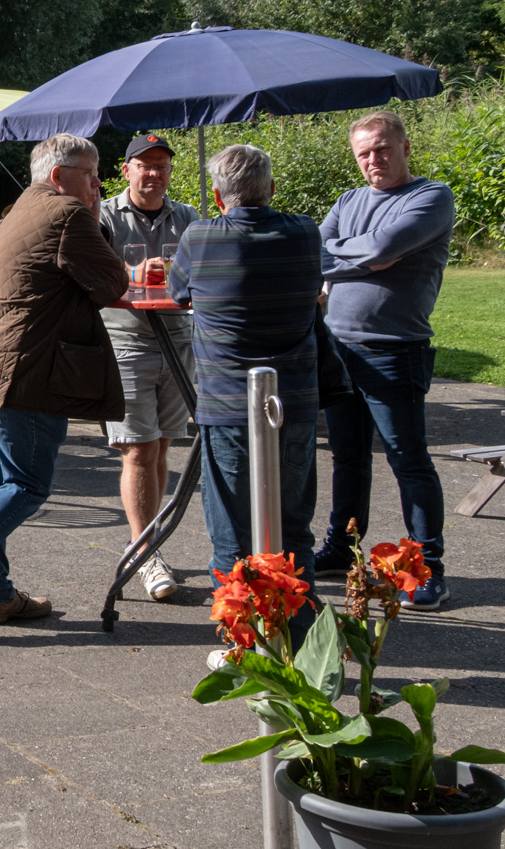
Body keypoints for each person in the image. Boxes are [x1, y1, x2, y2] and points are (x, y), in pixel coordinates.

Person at [0, 135, 127, 637]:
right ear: (59, 176)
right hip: (26, 373)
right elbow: (113, 283)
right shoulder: (69, 215)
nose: (99, 184)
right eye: (91, 173)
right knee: (27, 484)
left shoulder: (18, 212)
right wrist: (94, 218)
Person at [166, 144, 323, 645]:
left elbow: (178, 291)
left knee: (231, 528)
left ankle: (242, 636)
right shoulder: (304, 233)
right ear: (272, 189)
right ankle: (298, 633)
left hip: (228, 401)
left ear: (216, 196)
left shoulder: (201, 236)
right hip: (293, 399)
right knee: (294, 523)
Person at [315, 110, 456, 610]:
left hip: (396, 350)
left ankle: (428, 567)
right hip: (338, 348)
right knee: (347, 457)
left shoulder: (430, 197)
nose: (373, 159)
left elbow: (383, 248)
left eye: (382, 148)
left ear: (404, 147)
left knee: (408, 460)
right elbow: (319, 251)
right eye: (364, 153)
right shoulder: (349, 199)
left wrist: (355, 254)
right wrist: (363, 255)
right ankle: (339, 549)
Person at [99, 133, 198, 601]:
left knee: (160, 449)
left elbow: (200, 274)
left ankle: (146, 539)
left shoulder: (189, 218)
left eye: (161, 165)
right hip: (126, 341)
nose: (153, 172)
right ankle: (144, 553)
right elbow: (91, 274)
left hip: (178, 340)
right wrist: (131, 274)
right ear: (127, 170)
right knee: (136, 450)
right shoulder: (102, 217)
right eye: (145, 165)